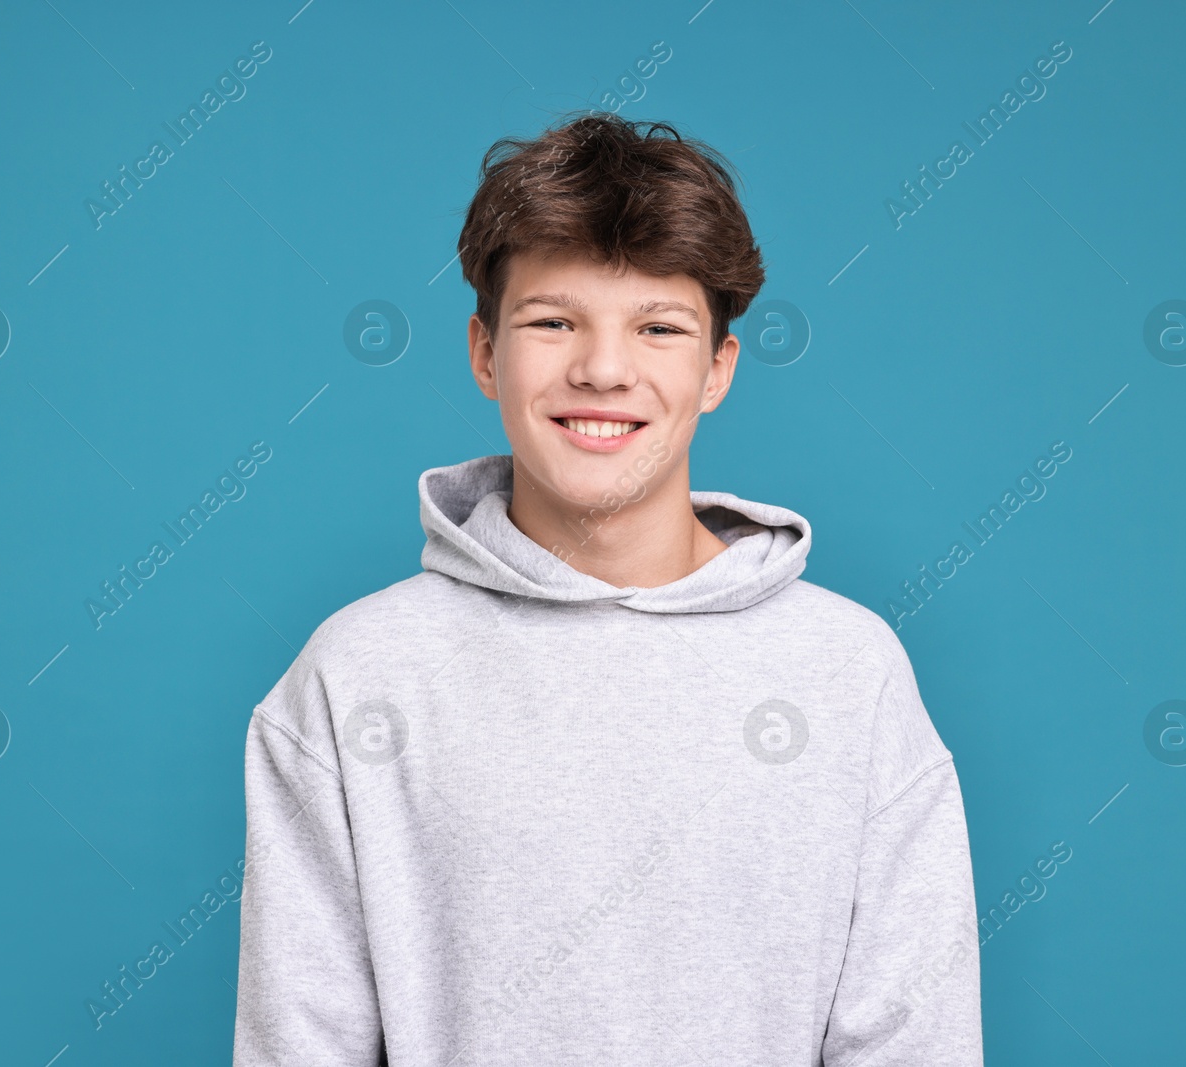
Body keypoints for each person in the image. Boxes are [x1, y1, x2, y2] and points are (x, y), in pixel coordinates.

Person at [231, 111, 983, 1066]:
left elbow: (913, 1042)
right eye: (553, 321)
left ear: (718, 367)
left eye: (659, 328)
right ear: (485, 352)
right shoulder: (353, 676)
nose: (602, 369)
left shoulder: (851, 672)